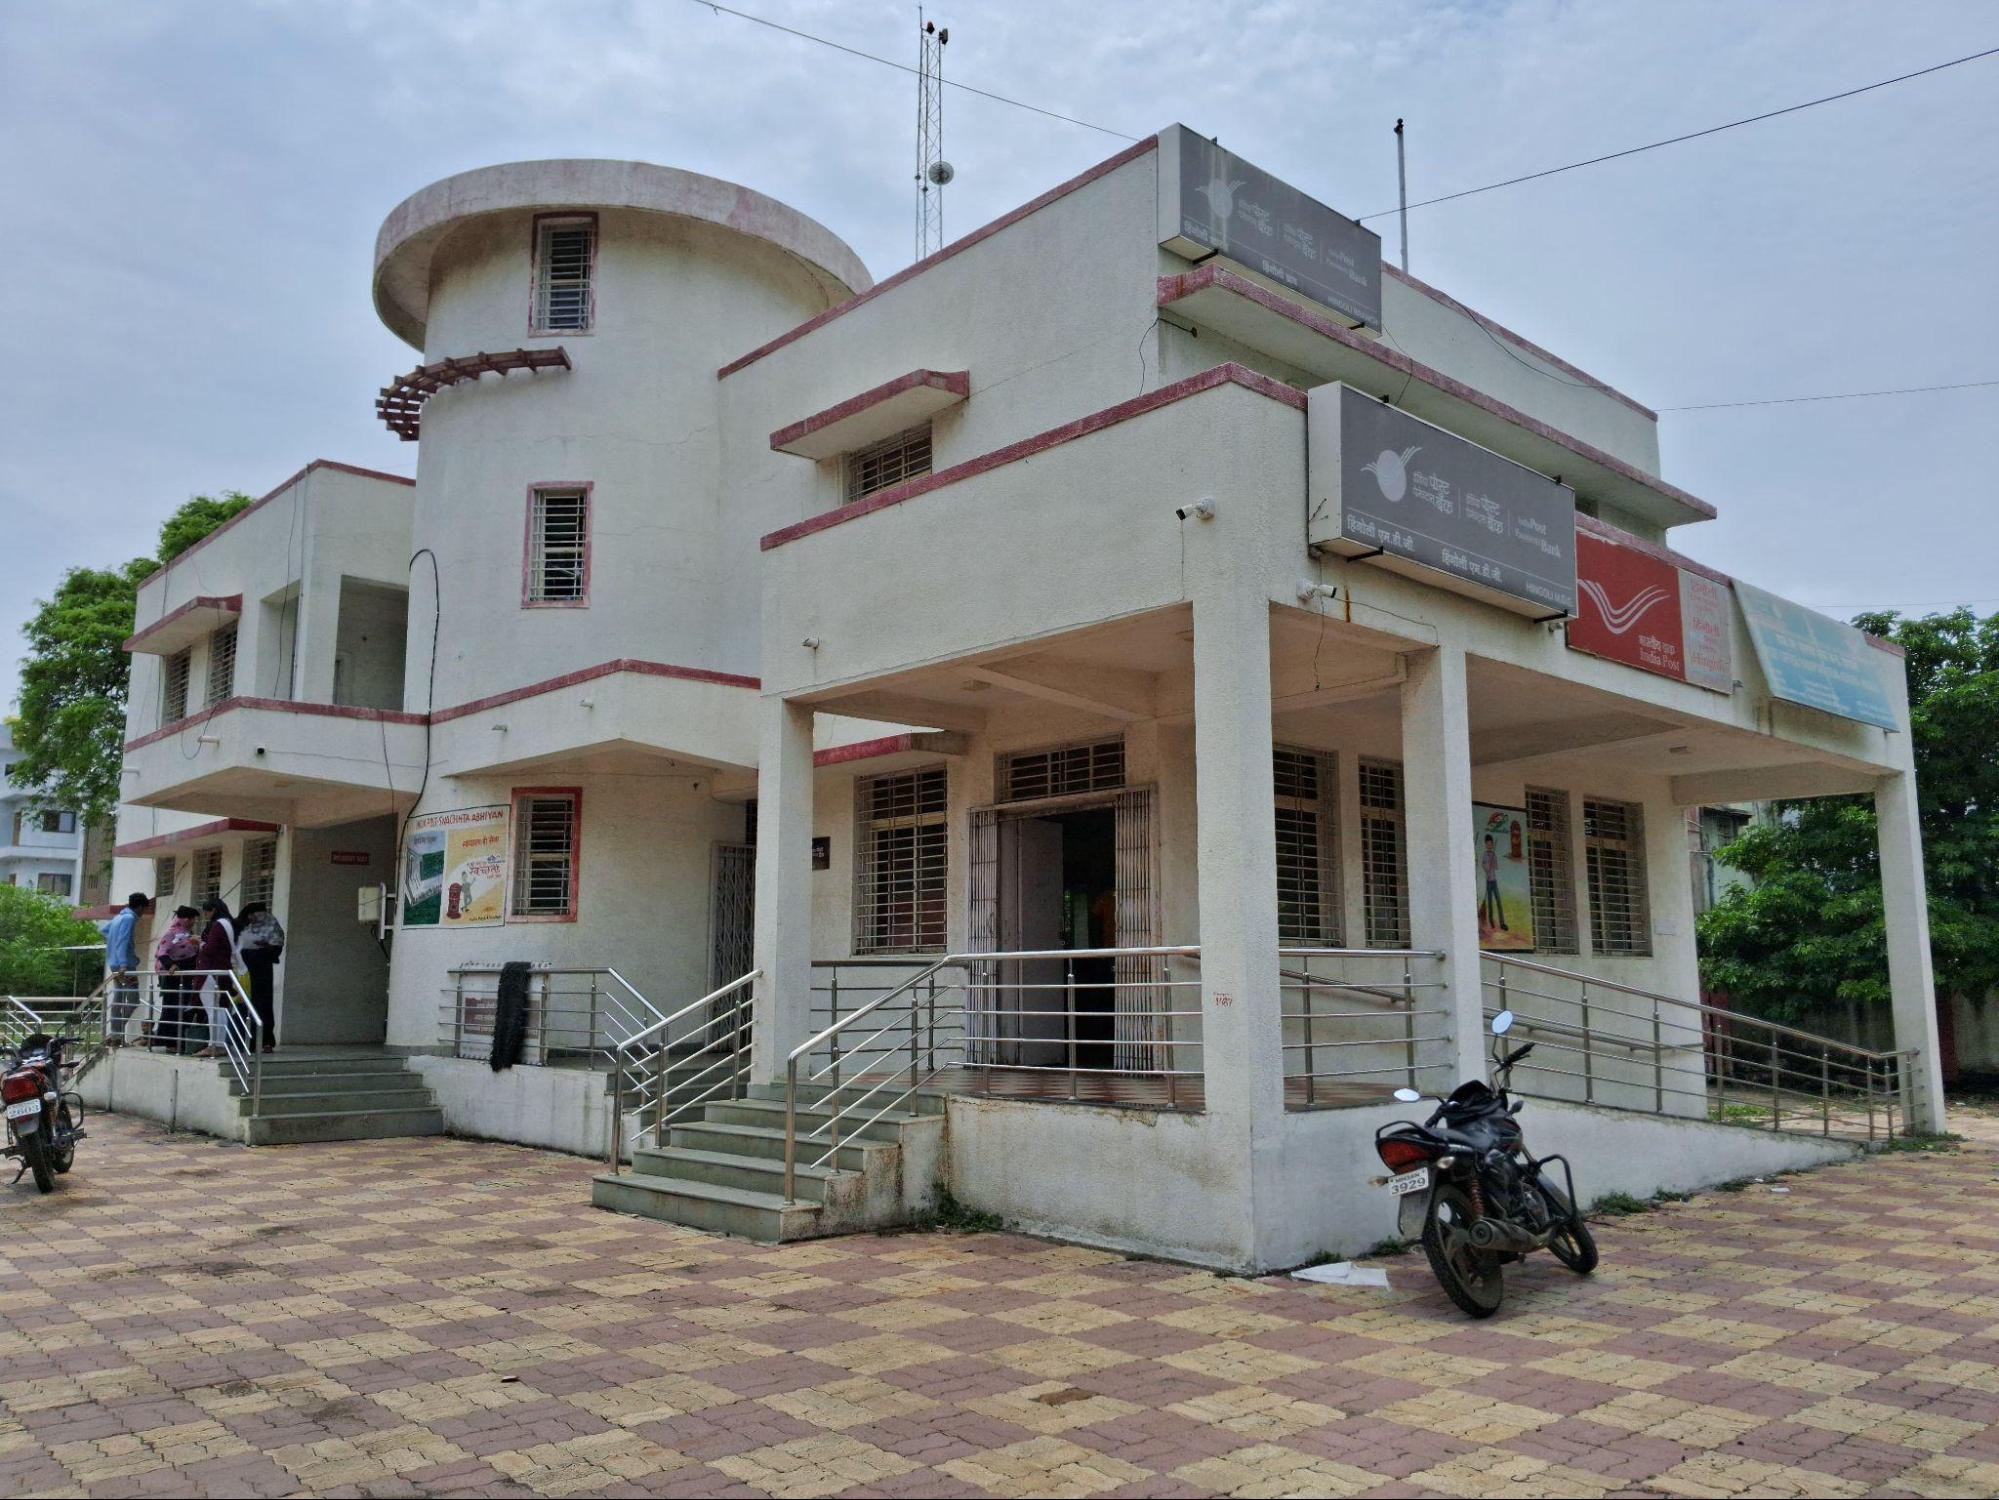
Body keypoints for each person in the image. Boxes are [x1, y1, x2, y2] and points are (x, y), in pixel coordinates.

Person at [102, 892, 152, 1047]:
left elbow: (104, 931)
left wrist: (114, 949)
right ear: (139, 907)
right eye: (143, 909)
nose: (143, 913)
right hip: (125, 966)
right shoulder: (129, 918)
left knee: (118, 998)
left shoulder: (118, 917)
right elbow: (123, 940)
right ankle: (117, 1032)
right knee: (133, 1000)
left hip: (114, 963)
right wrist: (124, 962)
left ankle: (116, 1035)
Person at [236, 902, 284, 1053]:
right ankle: (248, 1040)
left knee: (263, 1005)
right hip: (246, 971)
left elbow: (276, 948)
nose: (251, 917)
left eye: (253, 914)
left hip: (262, 971)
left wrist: (264, 946)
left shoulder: (272, 927)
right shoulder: (247, 927)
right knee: (247, 1003)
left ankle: (266, 1041)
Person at [153, 907, 202, 1054]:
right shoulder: (172, 933)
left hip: (186, 975)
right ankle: (170, 1041)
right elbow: (162, 952)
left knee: (184, 1007)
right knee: (172, 1008)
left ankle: (179, 1040)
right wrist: (171, 965)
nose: (194, 922)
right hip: (173, 977)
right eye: (193, 919)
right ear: (186, 919)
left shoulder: (187, 934)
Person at [194, 897, 238, 1059]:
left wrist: (200, 944)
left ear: (212, 910)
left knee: (213, 1009)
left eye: (206, 911)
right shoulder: (229, 923)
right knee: (220, 1009)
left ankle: (215, 1044)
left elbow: (210, 949)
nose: (205, 915)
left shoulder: (218, 925)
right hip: (224, 971)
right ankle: (219, 1044)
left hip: (212, 971)